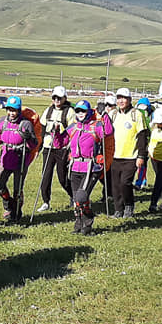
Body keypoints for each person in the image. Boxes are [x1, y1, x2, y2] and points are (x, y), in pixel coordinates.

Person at [60, 100, 110, 234]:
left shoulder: (96, 126)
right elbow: (61, 142)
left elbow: (108, 132)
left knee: (82, 197)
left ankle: (88, 219)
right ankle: (79, 225)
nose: (80, 113)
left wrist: (104, 115)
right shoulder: (73, 127)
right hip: (75, 166)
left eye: (83, 110)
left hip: (91, 167)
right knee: (76, 200)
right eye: (77, 110)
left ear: (88, 112)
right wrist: (55, 134)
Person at [0, 96, 37, 223]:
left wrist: (28, 138)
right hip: (6, 158)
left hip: (21, 159)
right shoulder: (3, 121)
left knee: (17, 189)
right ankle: (9, 205)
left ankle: (16, 212)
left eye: (14, 110)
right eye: (9, 110)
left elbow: (34, 144)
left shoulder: (26, 124)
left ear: (19, 110)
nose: (11, 113)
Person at [107, 88, 149, 218]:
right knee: (115, 185)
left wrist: (141, 156)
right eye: (119, 98)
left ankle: (129, 205)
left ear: (129, 100)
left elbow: (142, 136)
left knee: (125, 183)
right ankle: (118, 209)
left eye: (124, 98)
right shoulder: (113, 114)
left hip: (131, 156)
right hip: (115, 156)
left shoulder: (137, 115)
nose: (121, 101)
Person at [37, 86, 73, 212]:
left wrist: (60, 130)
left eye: (59, 97)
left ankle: (73, 196)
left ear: (65, 98)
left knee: (62, 177)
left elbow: (72, 130)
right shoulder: (48, 110)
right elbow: (42, 128)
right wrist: (39, 146)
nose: (57, 100)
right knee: (45, 176)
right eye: (54, 97)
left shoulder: (69, 112)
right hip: (48, 147)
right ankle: (45, 201)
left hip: (62, 148)